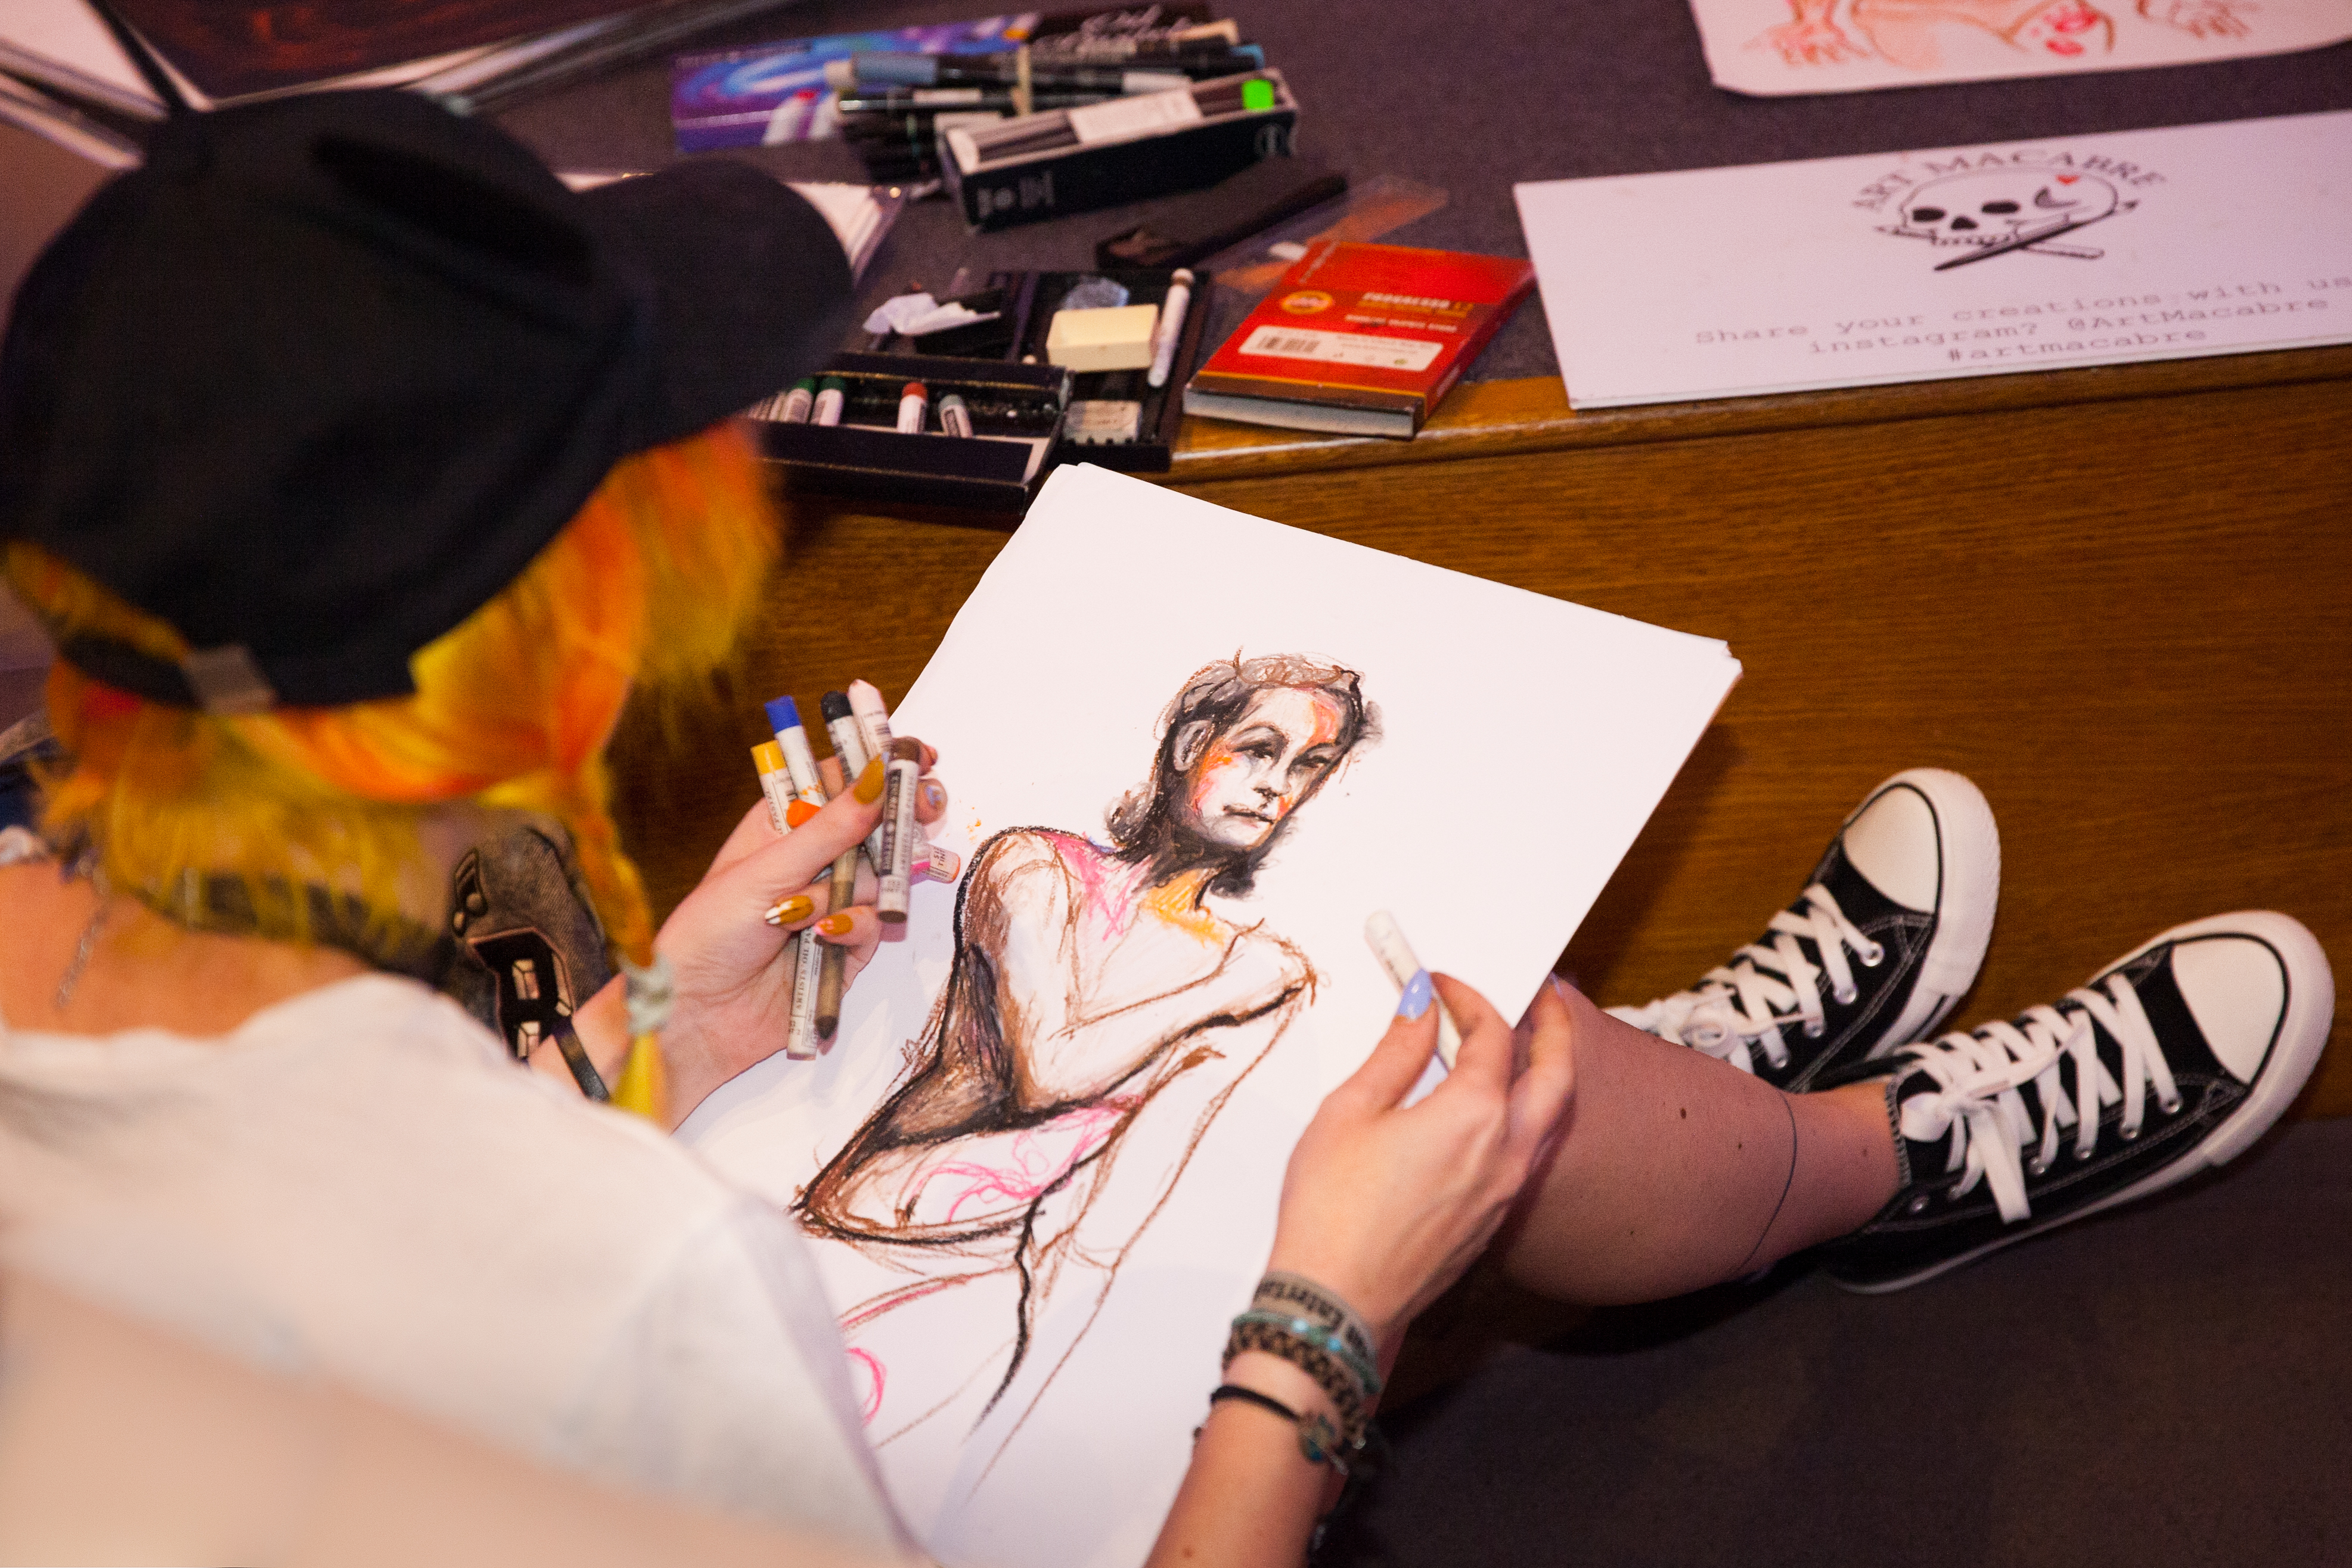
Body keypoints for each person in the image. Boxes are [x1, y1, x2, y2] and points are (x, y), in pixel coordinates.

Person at [0, 87, 2329, 1568]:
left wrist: (664, 1033)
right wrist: (1319, 1325)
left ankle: (1781, 1133)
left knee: (1452, 1045)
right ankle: (1858, 1163)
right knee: (1417, 1112)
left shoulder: (96, 904)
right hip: (842, 1372)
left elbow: (349, 1182)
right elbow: (490, 1279)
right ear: (570, 623)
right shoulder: (615, 1300)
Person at [798, 654, 1374, 1443]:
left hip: (997, 1297)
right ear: (1189, 747)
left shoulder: (1253, 971)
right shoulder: (1038, 867)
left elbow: (1152, 1183)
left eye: (1309, 766)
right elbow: (1048, 1072)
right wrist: (1224, 991)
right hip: (860, 1239)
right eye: (1257, 749)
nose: (1277, 784)